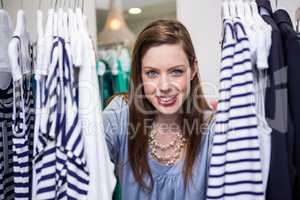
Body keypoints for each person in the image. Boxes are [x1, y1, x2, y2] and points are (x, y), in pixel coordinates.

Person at [103, 19, 215, 200]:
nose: (164, 86)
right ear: (139, 73)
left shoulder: (213, 130)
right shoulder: (120, 115)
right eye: (152, 73)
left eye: (176, 71)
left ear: (193, 69)